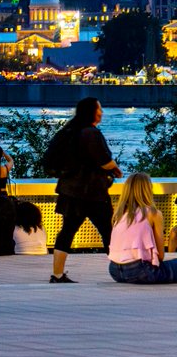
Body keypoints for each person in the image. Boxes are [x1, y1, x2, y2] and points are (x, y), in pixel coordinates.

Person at [51, 97, 122, 283]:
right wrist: (115, 167)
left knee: (67, 231)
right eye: (99, 109)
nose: (102, 113)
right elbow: (104, 161)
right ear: (92, 112)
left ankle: (57, 274)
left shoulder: (68, 132)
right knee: (108, 231)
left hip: (70, 191)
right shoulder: (91, 133)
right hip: (93, 192)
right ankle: (122, 269)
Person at [107, 172, 177, 284]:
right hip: (140, 271)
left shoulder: (119, 213)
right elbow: (160, 256)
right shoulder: (154, 213)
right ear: (148, 189)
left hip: (115, 271)